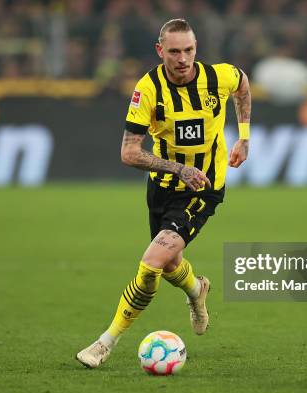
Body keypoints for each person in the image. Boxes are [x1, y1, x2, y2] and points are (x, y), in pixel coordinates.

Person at [76, 18, 251, 368]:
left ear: (196, 47)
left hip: (204, 188)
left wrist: (243, 136)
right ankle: (196, 291)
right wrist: (178, 169)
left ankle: (104, 343)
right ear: (160, 51)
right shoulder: (148, 90)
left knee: (152, 262)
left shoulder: (217, 77)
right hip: (164, 187)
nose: (183, 58)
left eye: (188, 50)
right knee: (170, 263)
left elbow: (243, 84)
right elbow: (129, 152)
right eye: (174, 51)